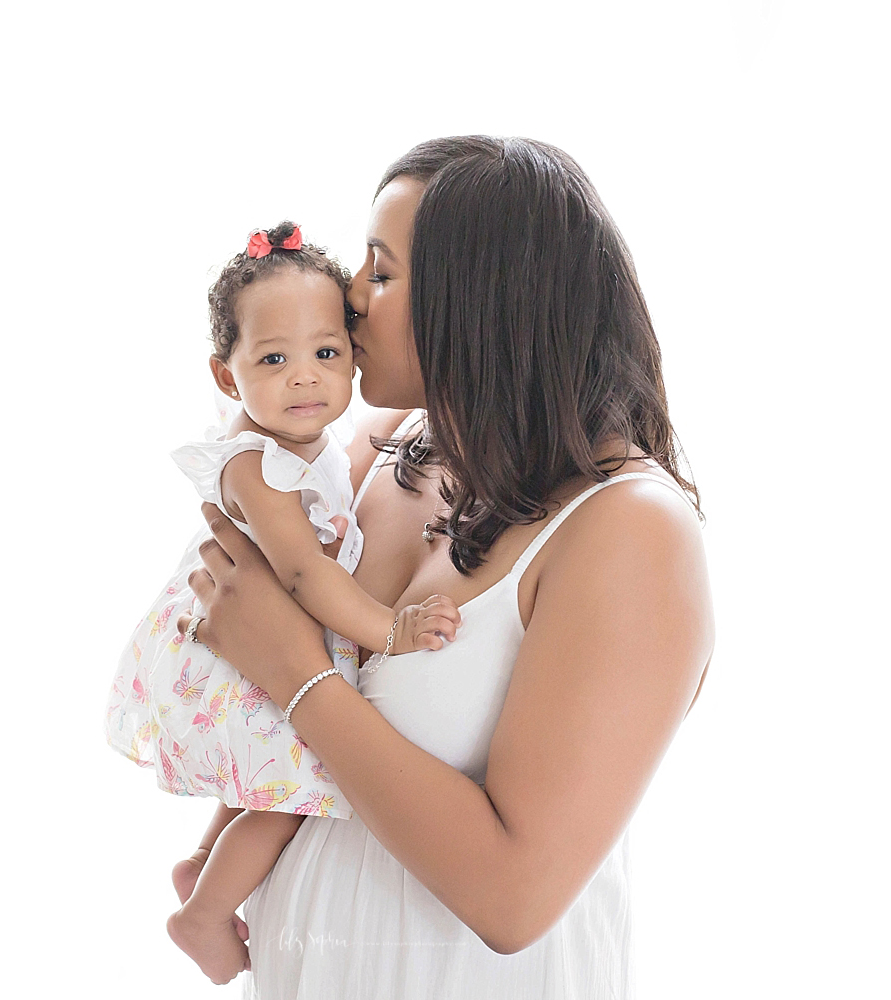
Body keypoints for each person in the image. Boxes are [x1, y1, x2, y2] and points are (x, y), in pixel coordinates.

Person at [173, 136, 714, 997]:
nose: (349, 299)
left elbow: (513, 897)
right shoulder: (383, 451)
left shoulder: (628, 528)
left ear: (488, 303)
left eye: (381, 275)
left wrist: (295, 674)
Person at [104, 221, 461, 985]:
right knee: (293, 792)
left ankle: (202, 865)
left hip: (266, 633)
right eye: (274, 359)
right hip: (253, 640)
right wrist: (389, 631)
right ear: (227, 376)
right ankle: (203, 912)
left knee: (272, 773)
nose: (305, 379)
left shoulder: (313, 440)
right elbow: (301, 574)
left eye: (326, 354)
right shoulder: (259, 462)